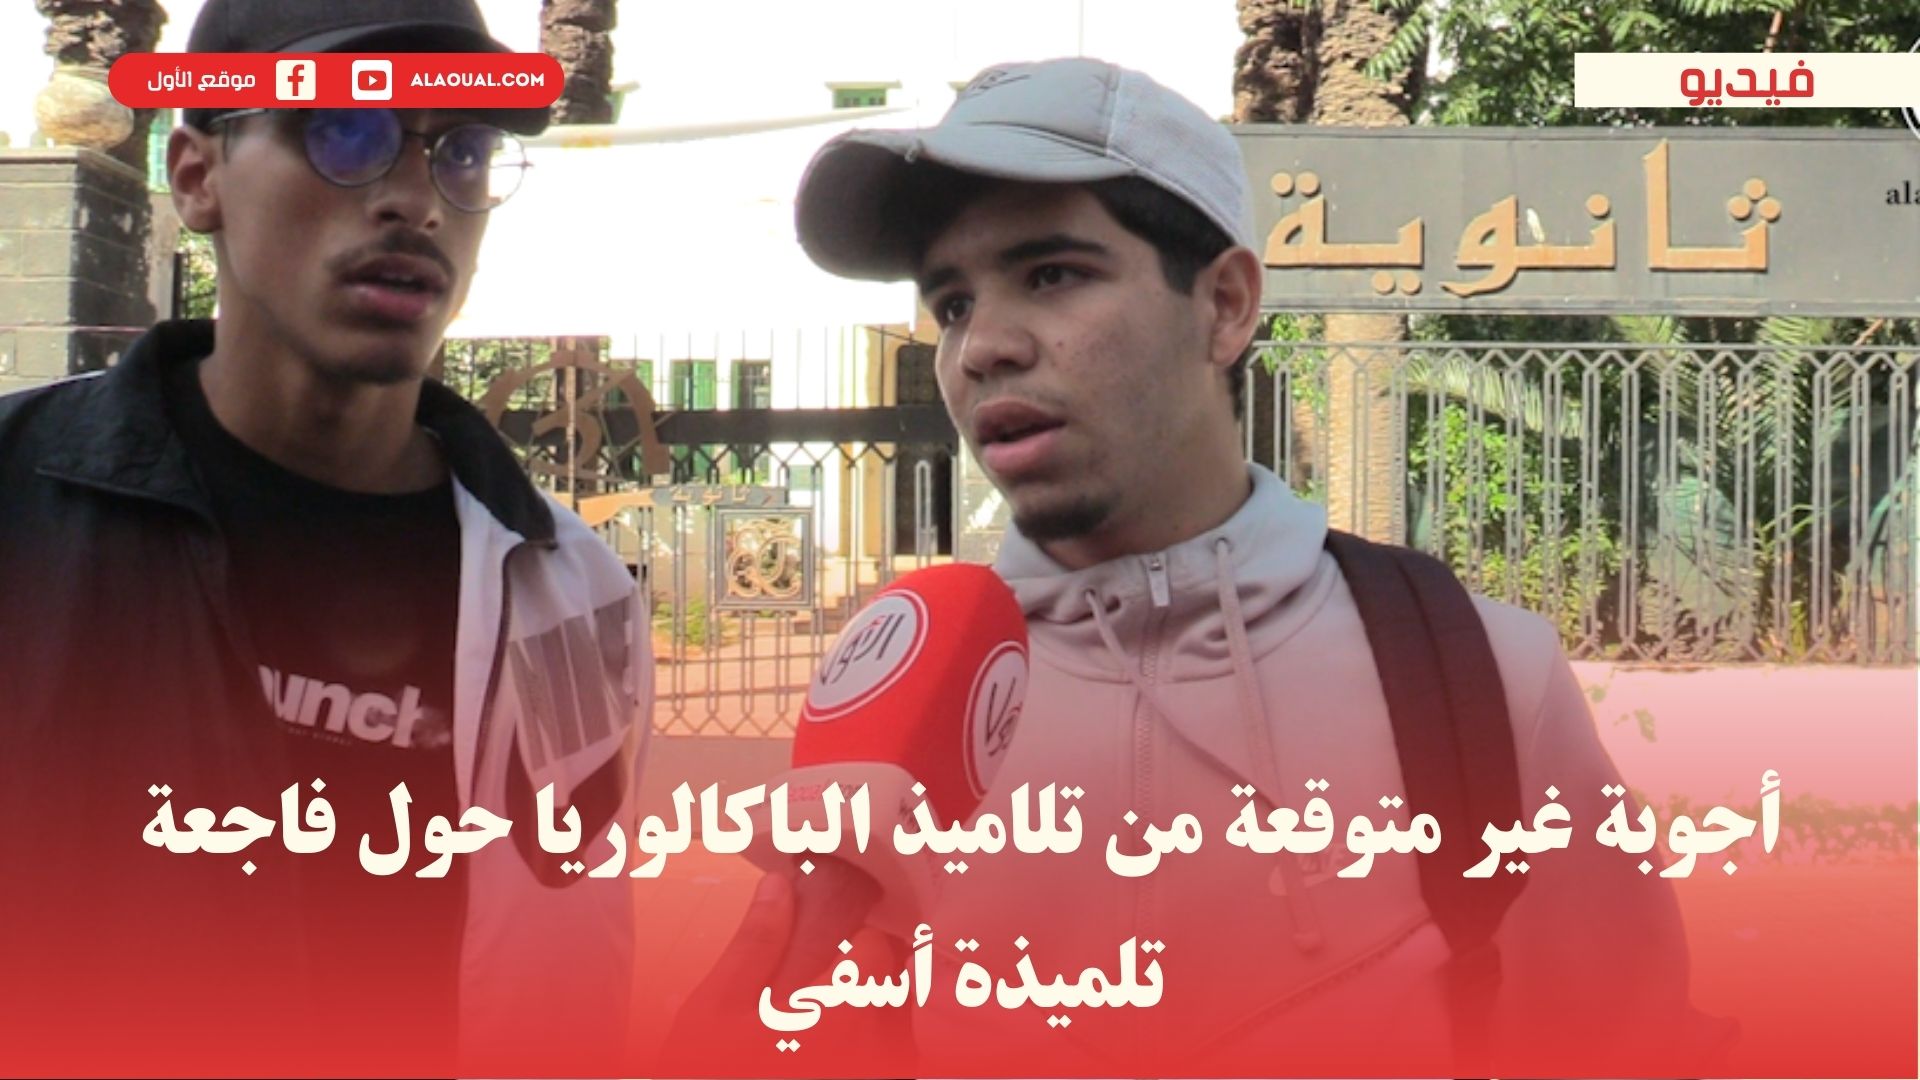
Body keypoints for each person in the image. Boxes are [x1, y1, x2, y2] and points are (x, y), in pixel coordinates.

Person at [675, 56, 1716, 1075]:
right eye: (952, 304)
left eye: (1051, 274)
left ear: (1223, 305)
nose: (982, 345)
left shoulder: (1479, 676)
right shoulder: (915, 698)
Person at [0, 2, 649, 1074]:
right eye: (346, 132)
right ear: (198, 175)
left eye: (464, 153)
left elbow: (568, 958)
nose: (417, 201)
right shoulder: (19, 500)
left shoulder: (573, 591)